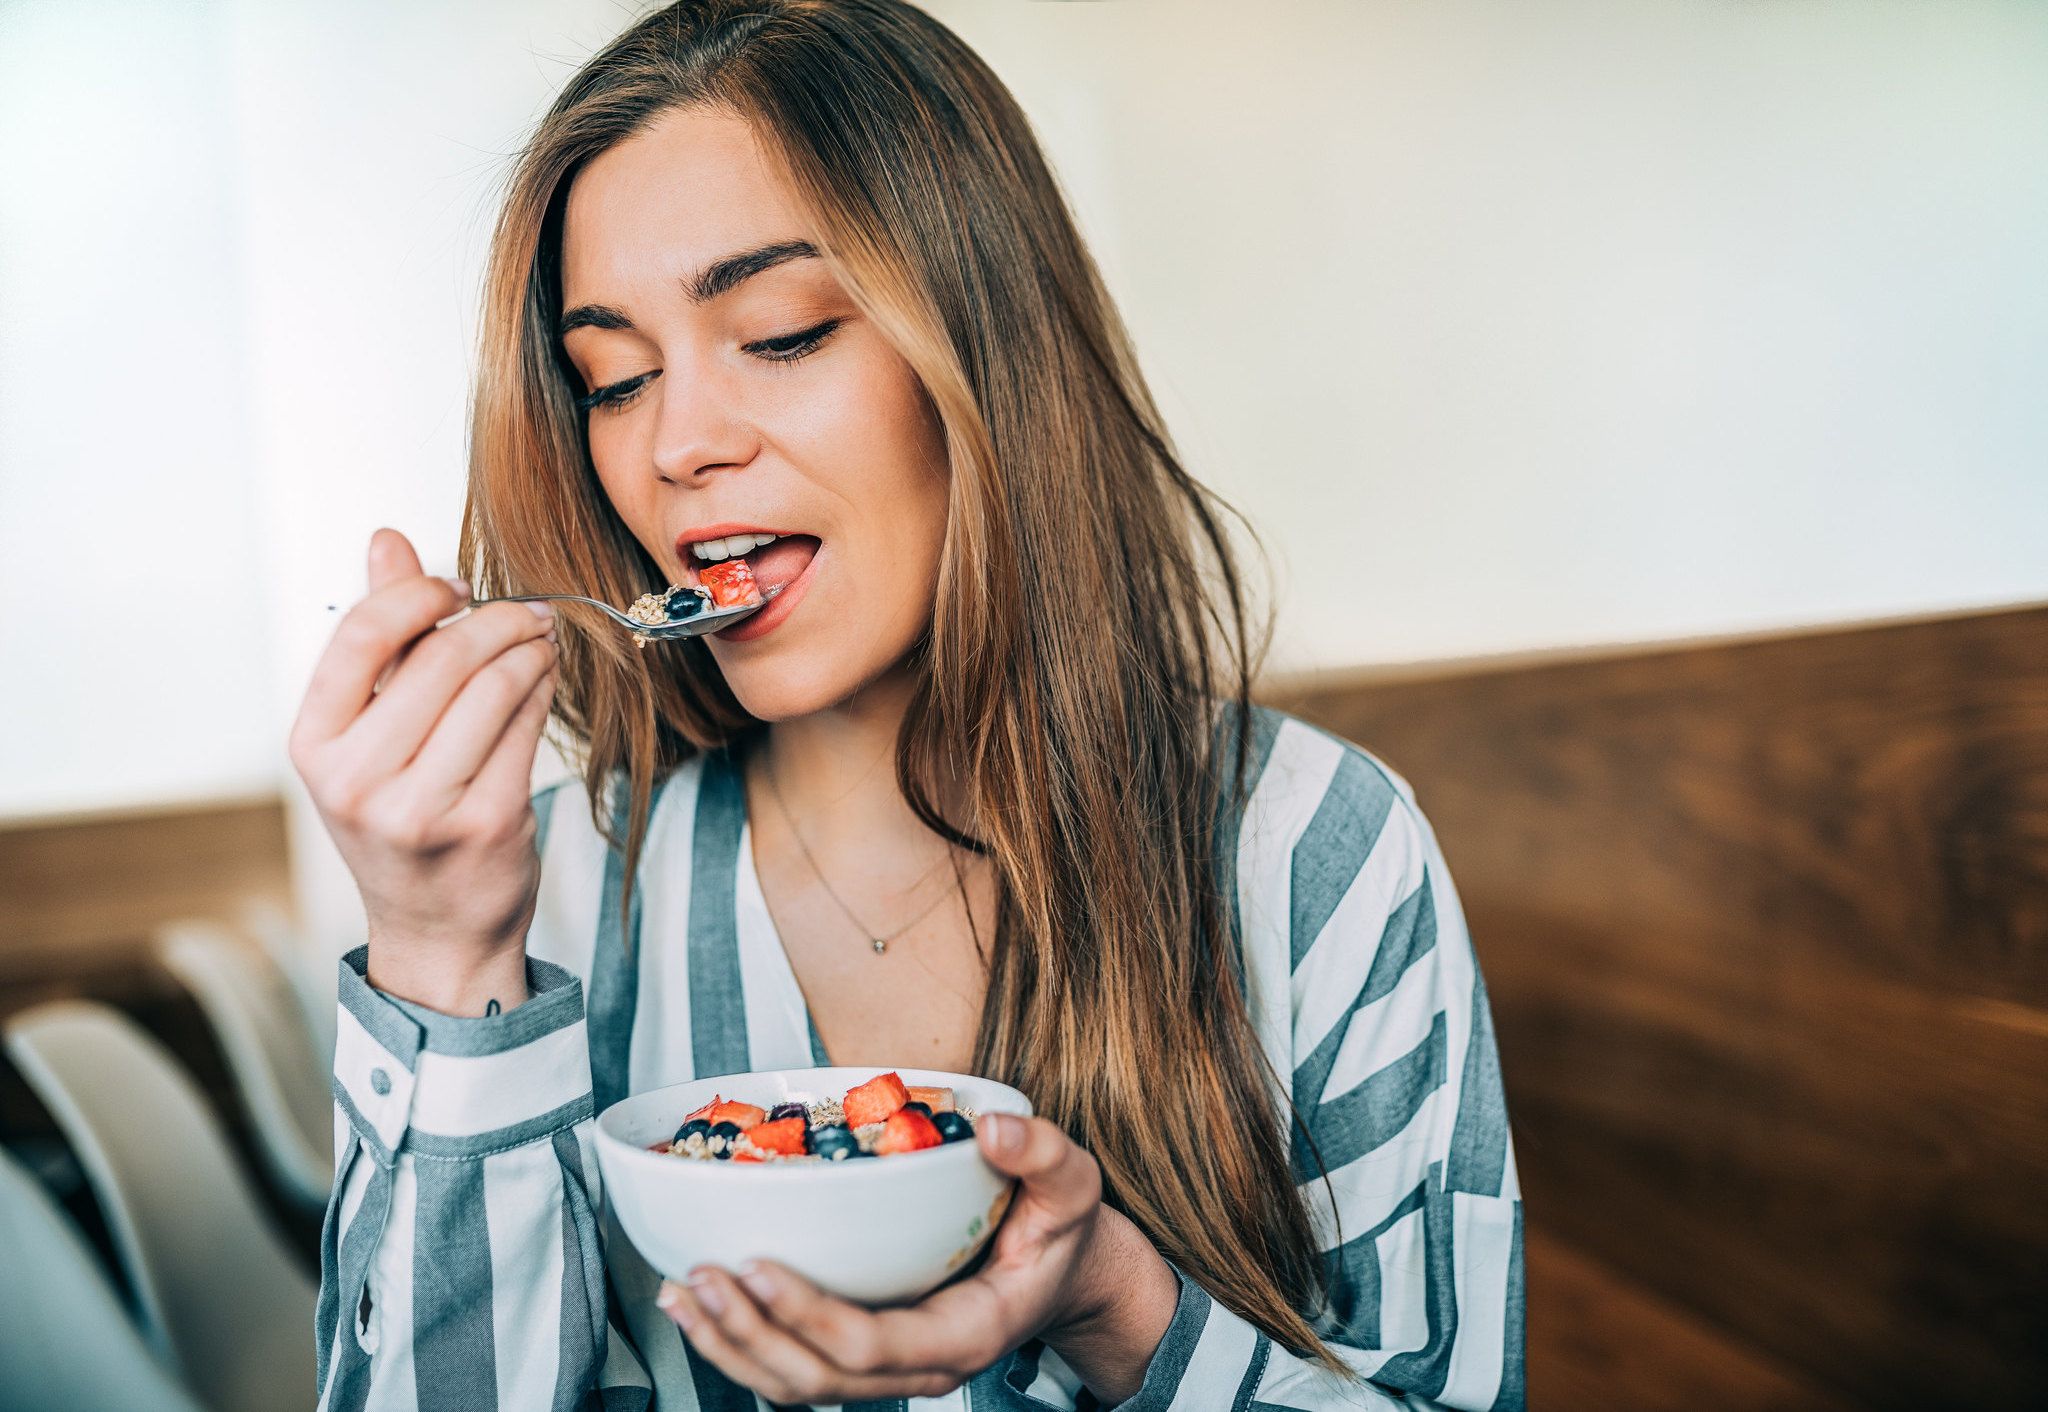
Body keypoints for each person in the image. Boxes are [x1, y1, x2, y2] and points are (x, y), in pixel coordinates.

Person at [289, 2, 1524, 1407]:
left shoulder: (1314, 854)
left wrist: (1114, 1303)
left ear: (987, 355)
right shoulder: (549, 899)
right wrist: (443, 966)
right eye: (615, 379)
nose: (678, 443)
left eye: (780, 332)